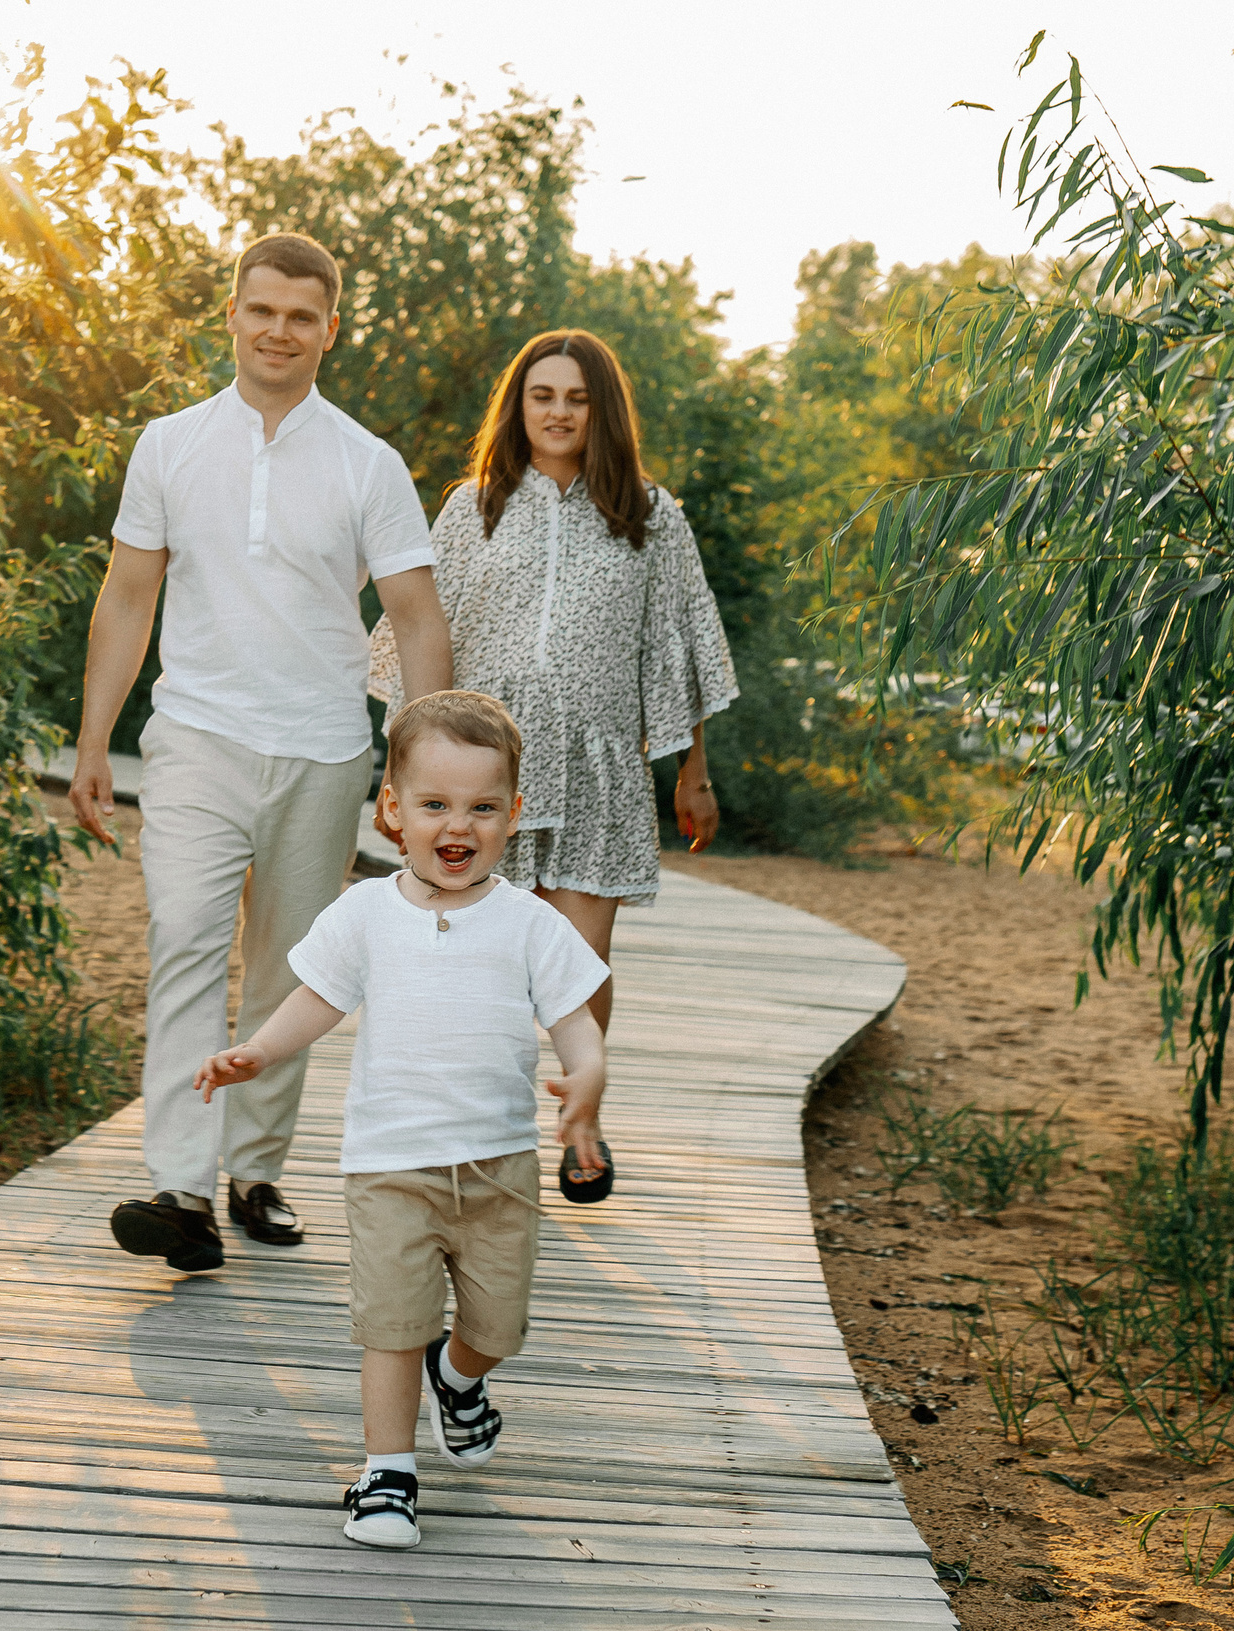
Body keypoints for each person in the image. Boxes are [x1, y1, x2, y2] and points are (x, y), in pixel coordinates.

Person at [73, 232, 453, 1274]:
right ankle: (179, 1189)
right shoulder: (169, 444)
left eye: (300, 315)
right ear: (231, 317)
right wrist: (93, 738)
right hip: (195, 736)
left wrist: (412, 771)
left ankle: (256, 1172)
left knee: (288, 970)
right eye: (261, 310)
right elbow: (127, 596)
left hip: (323, 749)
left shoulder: (367, 464)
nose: (278, 330)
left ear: (329, 329)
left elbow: (419, 620)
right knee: (188, 939)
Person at [195, 691, 608, 1549]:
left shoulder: (532, 924)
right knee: (391, 1323)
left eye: (482, 807)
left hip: (499, 1168)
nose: (458, 825)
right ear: (393, 812)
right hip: (389, 1166)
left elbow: (577, 1017)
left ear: (513, 816)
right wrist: (258, 1053)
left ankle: (458, 1379)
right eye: (435, 804)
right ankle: (388, 1471)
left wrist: (587, 1076)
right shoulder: (364, 914)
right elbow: (315, 1000)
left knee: (499, 1326)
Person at [368, 329, 736, 1194]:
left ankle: (580, 1119)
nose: (560, 412)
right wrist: (409, 777)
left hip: (601, 764)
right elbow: (425, 632)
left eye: (576, 398)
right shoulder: (474, 506)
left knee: (581, 958)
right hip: (484, 778)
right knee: (477, 952)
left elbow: (676, 645)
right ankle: (469, 1125)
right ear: (520, 406)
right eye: (543, 396)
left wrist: (693, 771)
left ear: (601, 410)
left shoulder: (650, 513)